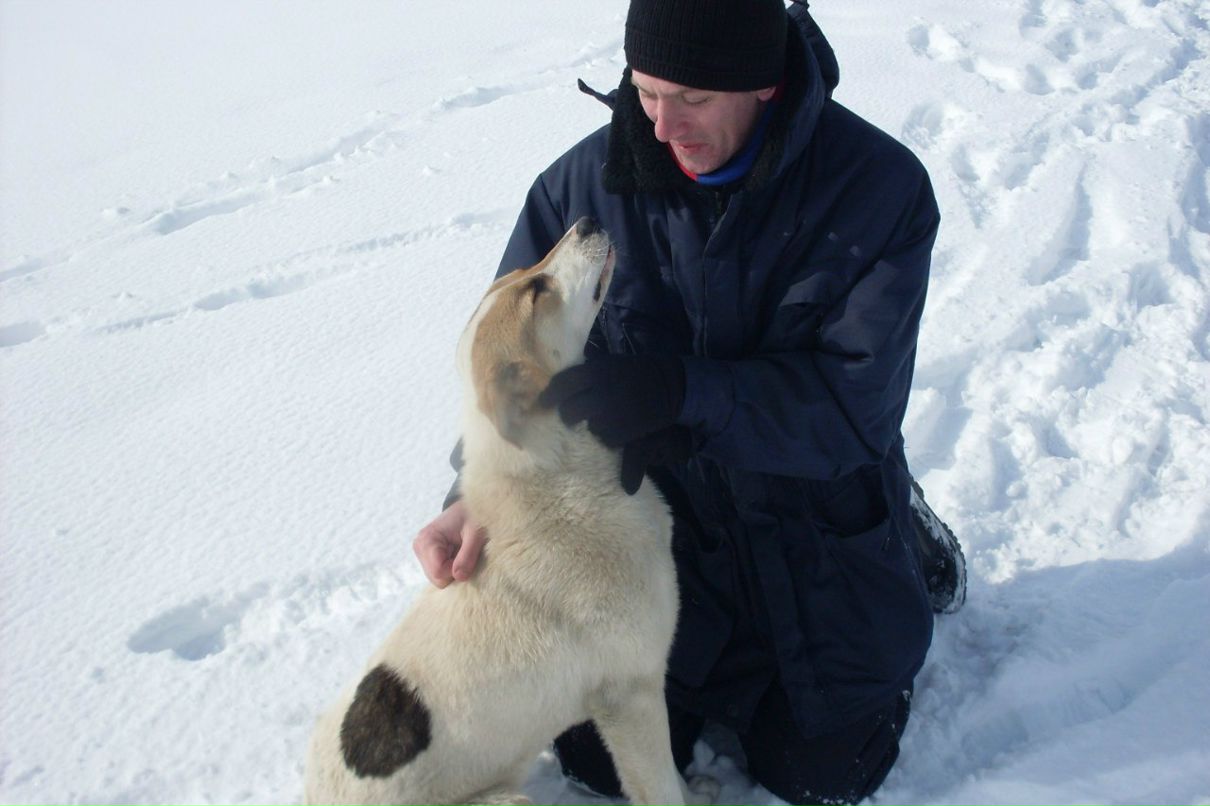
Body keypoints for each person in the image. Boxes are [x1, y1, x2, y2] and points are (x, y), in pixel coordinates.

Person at [413, 1, 966, 803]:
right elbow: (515, 371)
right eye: (645, 91)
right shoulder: (580, 188)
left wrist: (679, 393)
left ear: (764, 84)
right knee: (596, 758)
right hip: (665, 541)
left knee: (817, 774)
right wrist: (476, 498)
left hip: (816, 532)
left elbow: (852, 412)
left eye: (695, 99)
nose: (664, 127)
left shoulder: (878, 191)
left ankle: (901, 545)